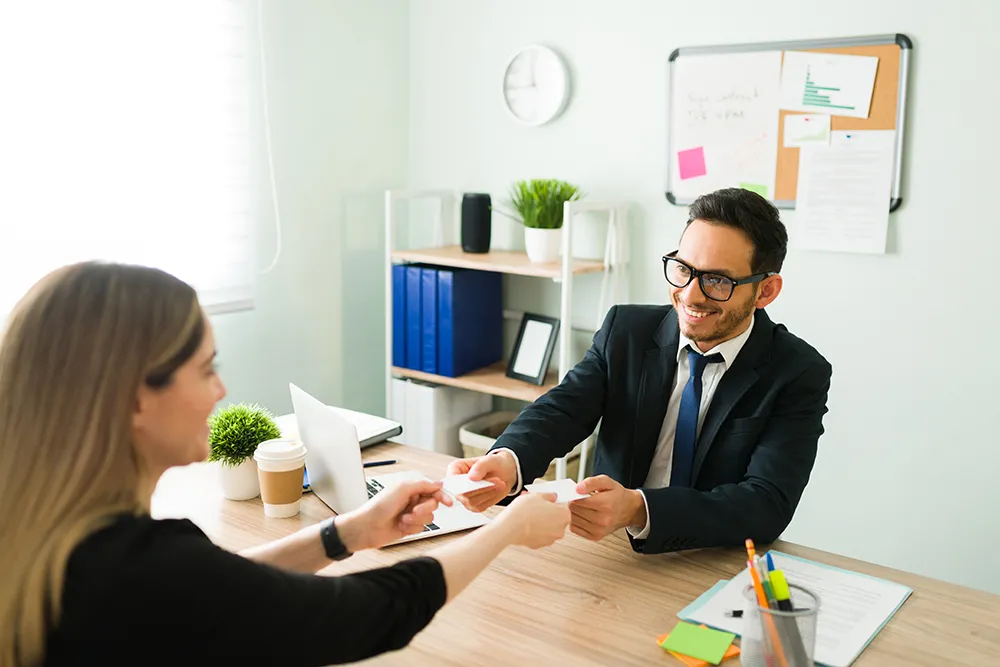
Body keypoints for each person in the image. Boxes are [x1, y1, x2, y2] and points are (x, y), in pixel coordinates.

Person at [0, 262, 571, 667]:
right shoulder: (142, 573)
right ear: (134, 398)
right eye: (205, 370)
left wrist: (349, 532)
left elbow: (227, 591)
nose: (220, 390)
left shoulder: (59, 547)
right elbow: (370, 611)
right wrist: (507, 529)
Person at [448, 187, 833, 555]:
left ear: (765, 291)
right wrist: (507, 461)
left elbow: (767, 504)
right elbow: (563, 410)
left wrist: (637, 508)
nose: (691, 294)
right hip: (610, 551)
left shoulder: (798, 372)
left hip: (717, 563)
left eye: (717, 280)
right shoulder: (626, 332)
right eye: (683, 269)